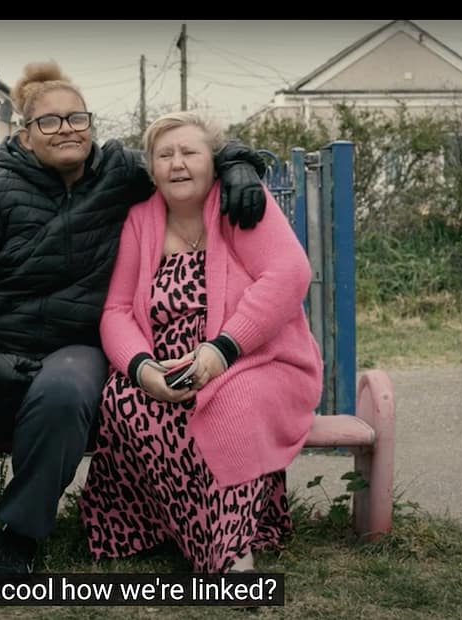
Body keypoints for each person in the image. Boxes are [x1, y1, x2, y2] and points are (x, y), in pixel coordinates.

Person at [0, 63, 269, 576]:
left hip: (70, 345)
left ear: (91, 124)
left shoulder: (120, 173)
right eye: (49, 121)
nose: (66, 128)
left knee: (67, 390)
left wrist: (239, 166)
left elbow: (183, 152)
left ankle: (20, 536)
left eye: (76, 117)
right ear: (24, 137)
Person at [78, 110, 324, 573]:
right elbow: (115, 312)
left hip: (252, 358)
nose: (178, 164)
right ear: (151, 169)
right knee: (124, 401)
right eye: (165, 155)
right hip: (166, 362)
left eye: (190, 152)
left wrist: (221, 350)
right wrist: (144, 370)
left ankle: (229, 556)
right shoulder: (139, 221)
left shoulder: (243, 204)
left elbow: (290, 274)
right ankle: (194, 532)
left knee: (230, 405)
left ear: (214, 162)